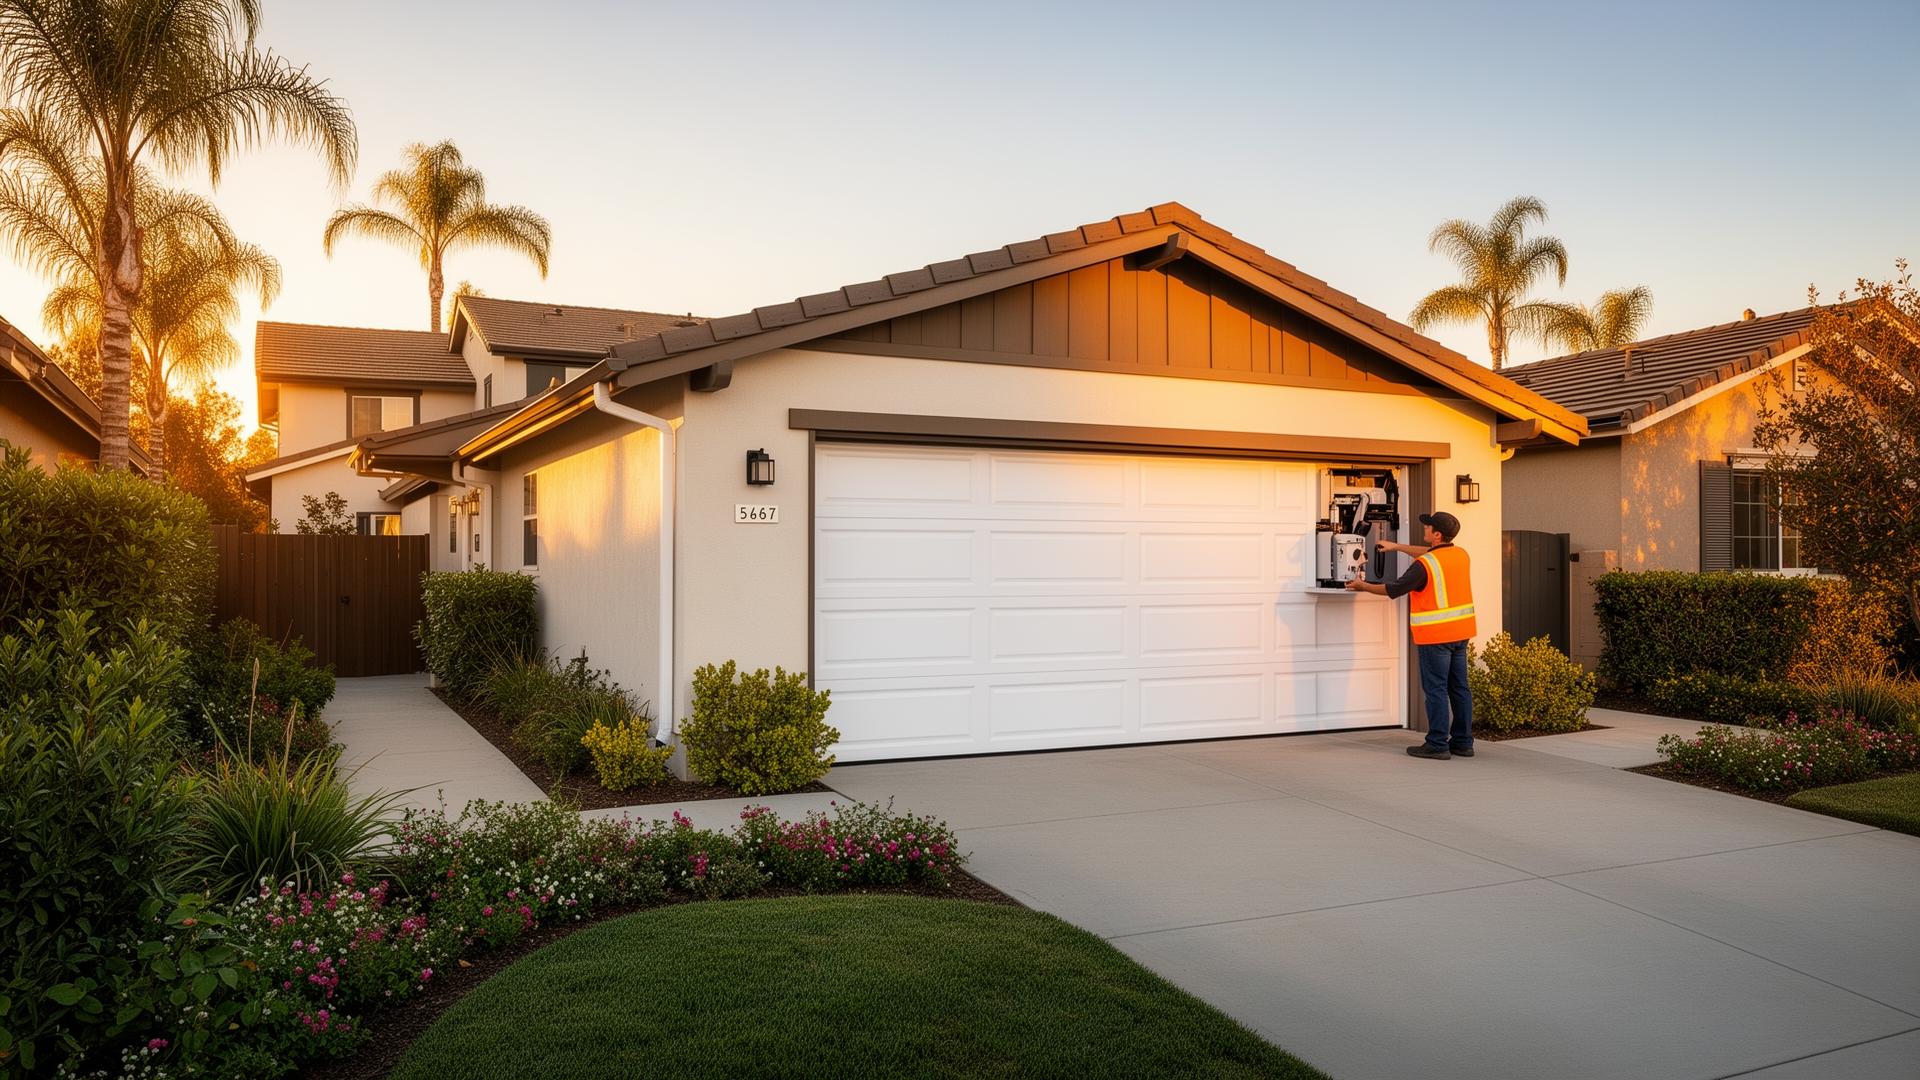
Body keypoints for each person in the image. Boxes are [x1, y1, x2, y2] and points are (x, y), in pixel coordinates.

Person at [1344, 511, 1477, 759]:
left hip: (1436, 636)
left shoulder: (1424, 566)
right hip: (1461, 633)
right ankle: (1463, 743)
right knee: (1460, 689)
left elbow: (1393, 588)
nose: (1424, 529)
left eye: (1428, 527)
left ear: (1437, 535)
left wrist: (1363, 586)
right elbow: (1430, 553)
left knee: (1436, 690)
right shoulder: (1460, 554)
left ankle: (1437, 744)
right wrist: (1396, 547)